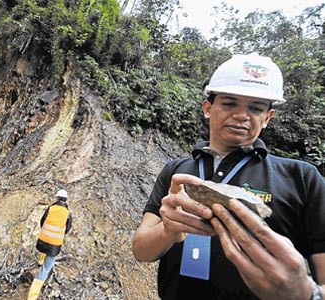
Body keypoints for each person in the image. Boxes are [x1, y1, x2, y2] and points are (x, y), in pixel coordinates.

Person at [132, 53, 325, 299]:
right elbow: (140, 250)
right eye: (230, 103)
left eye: (256, 108)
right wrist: (168, 230)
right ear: (207, 108)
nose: (242, 115)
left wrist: (307, 294)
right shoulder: (176, 172)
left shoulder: (302, 178)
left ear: (267, 118)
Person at [27, 189, 72, 300]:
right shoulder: (67, 213)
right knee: (45, 269)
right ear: (65, 200)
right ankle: (32, 297)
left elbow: (42, 221)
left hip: (43, 241)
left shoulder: (51, 208)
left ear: (57, 198)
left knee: (45, 252)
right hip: (54, 246)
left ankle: (40, 261)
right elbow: (67, 228)